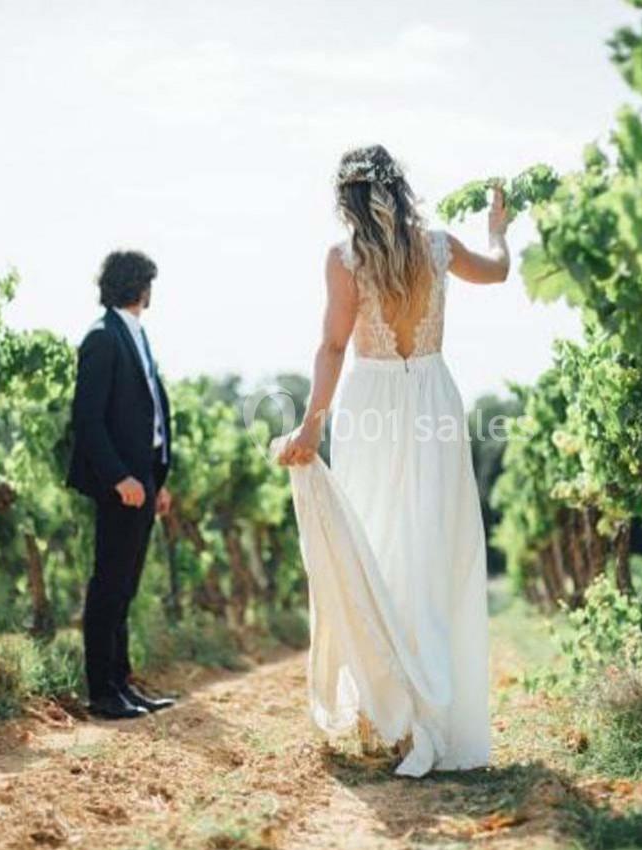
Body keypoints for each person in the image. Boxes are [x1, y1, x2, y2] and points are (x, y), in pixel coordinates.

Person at [276, 144, 509, 775]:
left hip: (369, 400)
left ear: (346, 199)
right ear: (398, 187)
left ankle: (395, 714)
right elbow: (499, 270)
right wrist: (498, 231)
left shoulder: (343, 258)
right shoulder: (440, 246)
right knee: (431, 549)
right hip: (432, 394)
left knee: (376, 547)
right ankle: (431, 712)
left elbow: (332, 345)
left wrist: (309, 425)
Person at [67, 250, 178, 720]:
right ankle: (103, 691)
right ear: (138, 286)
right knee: (109, 585)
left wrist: (156, 480)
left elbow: (148, 411)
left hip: (142, 481)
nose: (152, 290)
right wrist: (120, 478)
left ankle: (122, 684)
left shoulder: (135, 333)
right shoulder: (102, 338)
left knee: (125, 586)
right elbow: (87, 420)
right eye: (149, 282)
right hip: (121, 485)